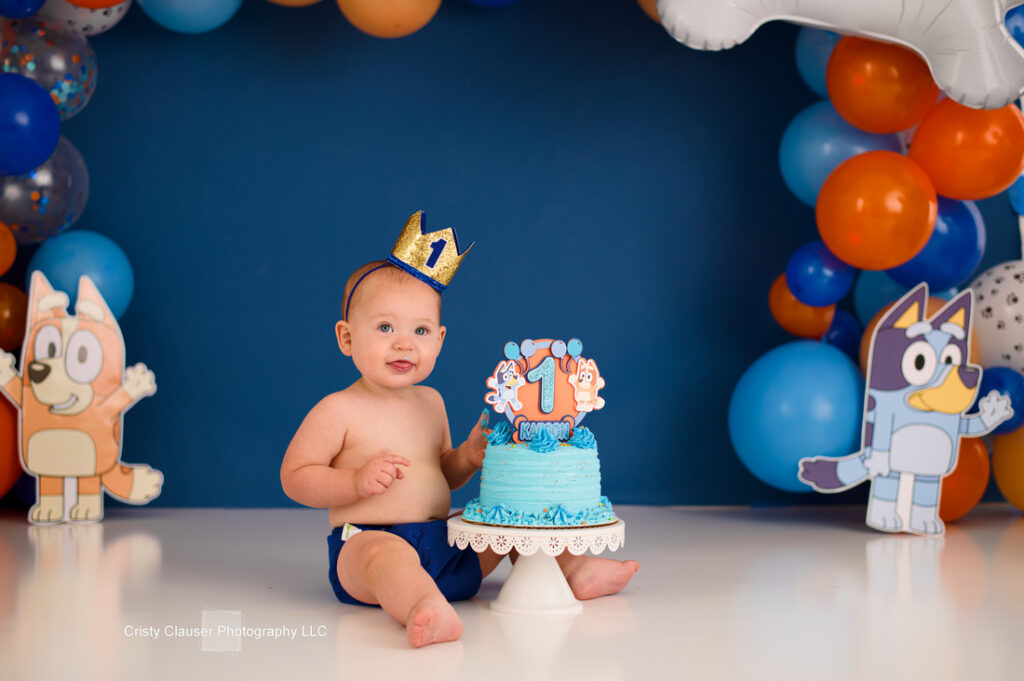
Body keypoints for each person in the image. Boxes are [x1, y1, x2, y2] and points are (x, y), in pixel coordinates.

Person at [281, 216, 638, 648]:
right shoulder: (339, 409)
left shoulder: (431, 402)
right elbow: (296, 477)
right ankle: (421, 606)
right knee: (386, 560)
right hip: (367, 541)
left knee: (506, 521)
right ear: (346, 337)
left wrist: (466, 458)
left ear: (440, 340)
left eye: (420, 330)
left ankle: (574, 570)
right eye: (384, 328)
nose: (404, 343)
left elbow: (440, 476)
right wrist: (353, 482)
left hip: (444, 547)